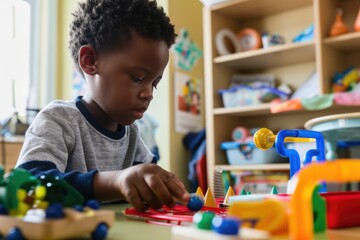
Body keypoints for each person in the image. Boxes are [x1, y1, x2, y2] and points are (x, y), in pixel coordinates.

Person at [16, 0, 190, 211]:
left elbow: (143, 182)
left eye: (155, 83)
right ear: (90, 61)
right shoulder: (59, 120)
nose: (148, 94)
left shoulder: (131, 134)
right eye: (137, 78)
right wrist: (116, 182)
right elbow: (28, 185)